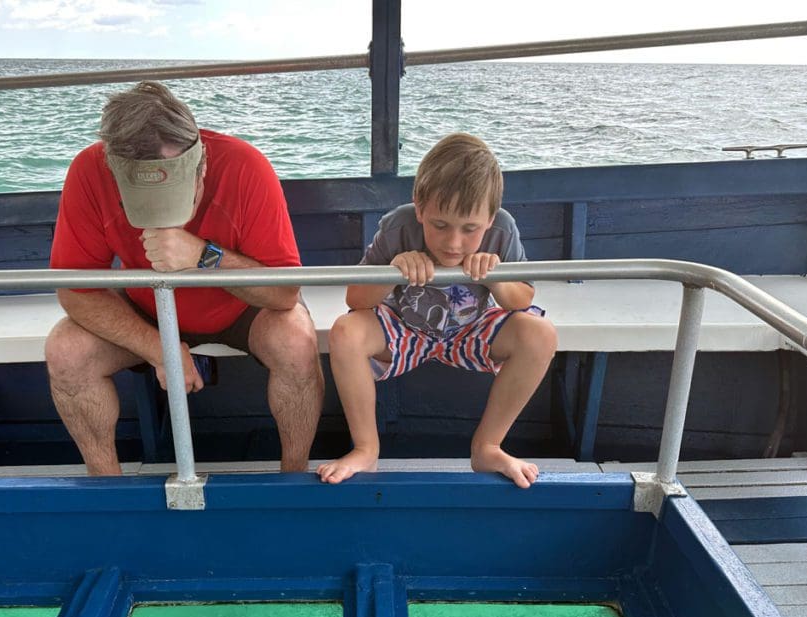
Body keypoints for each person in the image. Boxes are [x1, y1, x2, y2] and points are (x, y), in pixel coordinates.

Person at [46, 81, 323, 475]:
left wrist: (204, 256)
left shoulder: (245, 166)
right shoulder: (90, 169)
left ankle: (293, 477)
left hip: (240, 305)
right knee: (66, 350)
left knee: (296, 341)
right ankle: (107, 488)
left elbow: (283, 294)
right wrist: (159, 347)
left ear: (202, 164)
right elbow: (76, 291)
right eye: (141, 206)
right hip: (146, 306)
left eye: (179, 200)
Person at [316, 133, 557, 488]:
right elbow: (357, 300)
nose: (454, 242)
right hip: (404, 329)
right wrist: (393, 269)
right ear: (420, 207)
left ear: (490, 219)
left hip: (470, 331)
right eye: (440, 225)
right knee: (345, 330)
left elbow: (521, 300)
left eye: (470, 229)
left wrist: (495, 279)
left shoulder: (504, 228)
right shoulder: (398, 226)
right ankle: (366, 448)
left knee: (540, 333)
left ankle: (488, 446)